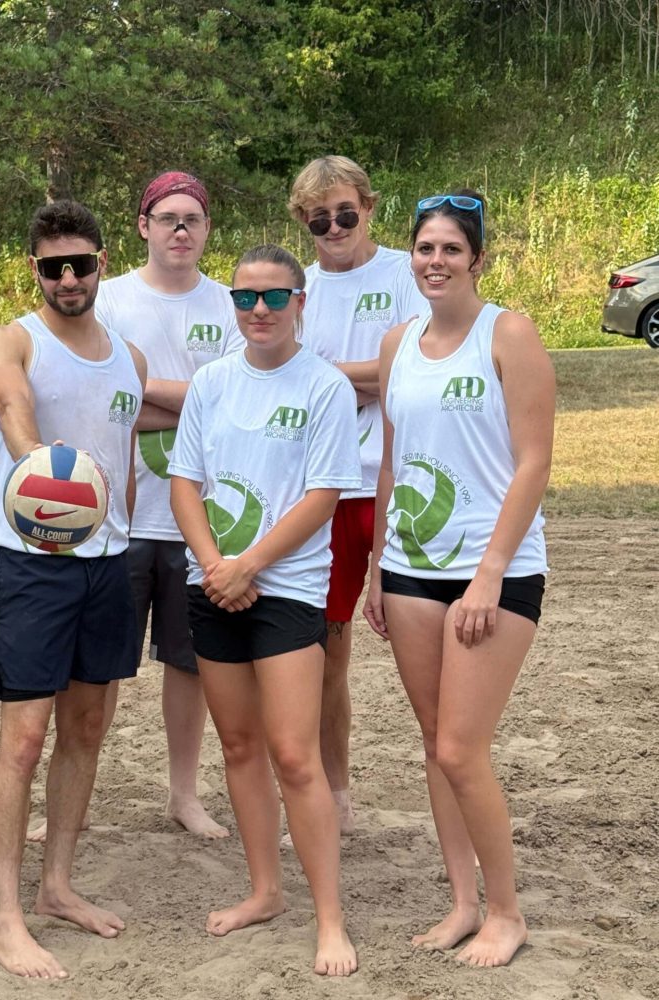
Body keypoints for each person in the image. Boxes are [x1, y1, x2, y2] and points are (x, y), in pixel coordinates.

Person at [363, 191, 554, 967]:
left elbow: (534, 461)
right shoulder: (396, 342)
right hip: (410, 568)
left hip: (493, 573)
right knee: (435, 747)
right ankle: (462, 902)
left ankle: (506, 912)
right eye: (424, 248)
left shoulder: (508, 332)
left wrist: (489, 574)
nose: (435, 261)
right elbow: (389, 460)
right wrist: (379, 565)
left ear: (477, 258)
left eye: (450, 248)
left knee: (463, 748)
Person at [169, 244, 361, 976]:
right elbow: (185, 483)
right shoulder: (212, 383)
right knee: (241, 748)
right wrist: (217, 564)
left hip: (285, 590)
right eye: (245, 298)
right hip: (213, 584)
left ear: (300, 304)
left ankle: (330, 918)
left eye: (274, 298)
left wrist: (251, 564)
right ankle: (264, 890)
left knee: (294, 755)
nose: (258, 310)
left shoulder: (324, 389)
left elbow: (322, 497)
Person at [0, 200, 147, 979]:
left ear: (103, 261)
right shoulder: (11, 337)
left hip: (109, 563)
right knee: (24, 741)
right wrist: (44, 474)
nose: (68, 277)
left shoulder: (129, 357)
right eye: (53, 267)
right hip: (32, 558)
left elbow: (130, 454)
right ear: (34, 269)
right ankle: (6, 918)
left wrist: (117, 529)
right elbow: (10, 399)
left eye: (81, 262)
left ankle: (57, 886)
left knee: (86, 730)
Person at [91, 170, 242, 840]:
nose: (181, 230)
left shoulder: (232, 304)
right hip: (116, 516)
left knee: (190, 664)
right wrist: (191, 401)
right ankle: (79, 794)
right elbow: (100, 400)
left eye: (193, 219)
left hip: (199, 521)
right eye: (168, 218)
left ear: (208, 229)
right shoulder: (108, 300)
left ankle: (184, 794)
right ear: (143, 226)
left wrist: (142, 395)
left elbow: (234, 404)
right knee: (99, 666)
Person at [286, 155, 428, 833]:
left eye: (346, 212)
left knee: (422, 642)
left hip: (399, 480)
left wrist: (320, 375)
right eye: (320, 218)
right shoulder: (298, 288)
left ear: (370, 207)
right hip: (328, 485)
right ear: (302, 221)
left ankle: (448, 772)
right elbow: (290, 376)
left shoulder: (406, 272)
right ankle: (336, 789)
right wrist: (360, 376)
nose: (335, 226)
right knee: (327, 647)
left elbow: (408, 368)